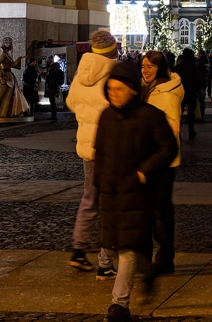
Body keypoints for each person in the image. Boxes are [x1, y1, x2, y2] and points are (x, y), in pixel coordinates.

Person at [93, 60, 178, 322]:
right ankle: (147, 272)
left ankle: (119, 304)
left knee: (128, 248)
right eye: (110, 89)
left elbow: (168, 148)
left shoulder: (150, 116)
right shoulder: (106, 116)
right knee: (117, 246)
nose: (113, 93)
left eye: (118, 89)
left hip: (138, 193)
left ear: (132, 89)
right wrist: (99, 182)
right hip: (112, 192)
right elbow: (100, 152)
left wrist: (143, 172)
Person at [66, 29, 118, 275]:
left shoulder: (82, 71)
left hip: (87, 145)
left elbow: (71, 102)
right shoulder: (111, 73)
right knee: (112, 203)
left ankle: (78, 249)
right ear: (111, 50)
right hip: (108, 146)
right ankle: (106, 260)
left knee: (89, 198)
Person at [141, 50, 184, 278]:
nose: (145, 70)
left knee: (160, 212)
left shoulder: (165, 95)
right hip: (149, 160)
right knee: (152, 210)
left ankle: (165, 257)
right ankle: (150, 256)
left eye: (150, 66)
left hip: (162, 163)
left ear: (160, 68)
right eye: (143, 66)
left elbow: (172, 131)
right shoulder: (149, 90)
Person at [174, 48, 200, 138]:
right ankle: (191, 131)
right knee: (191, 113)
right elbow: (198, 80)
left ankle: (178, 132)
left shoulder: (178, 67)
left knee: (179, 113)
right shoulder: (195, 67)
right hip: (192, 92)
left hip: (180, 92)